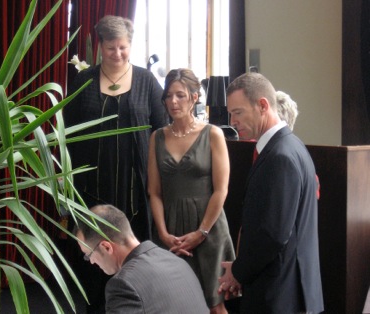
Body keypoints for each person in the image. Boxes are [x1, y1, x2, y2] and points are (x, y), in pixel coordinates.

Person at [64, 15, 168, 312]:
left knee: (135, 261)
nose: (118, 54)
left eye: (123, 48)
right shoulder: (84, 80)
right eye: (111, 48)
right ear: (100, 47)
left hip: (135, 191)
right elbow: (68, 132)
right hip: (92, 189)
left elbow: (160, 132)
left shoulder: (147, 81)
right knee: (94, 262)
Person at [218, 72, 324, 314]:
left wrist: (238, 272)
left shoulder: (280, 156)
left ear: (263, 105)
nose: (232, 121)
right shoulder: (291, 146)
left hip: (281, 297)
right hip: (288, 292)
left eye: (238, 112)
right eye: (230, 114)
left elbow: (272, 235)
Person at [147, 68, 235, 314]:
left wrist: (202, 232)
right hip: (171, 230)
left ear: (194, 97)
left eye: (180, 95)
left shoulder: (213, 134)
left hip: (209, 228)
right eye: (168, 96)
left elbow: (221, 190)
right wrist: (163, 234)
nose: (173, 102)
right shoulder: (157, 137)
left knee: (214, 304)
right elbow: (154, 192)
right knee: (174, 303)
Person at [75, 204, 209, 314]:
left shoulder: (124, 284)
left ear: (106, 247)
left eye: (88, 254)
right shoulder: (177, 261)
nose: (91, 261)